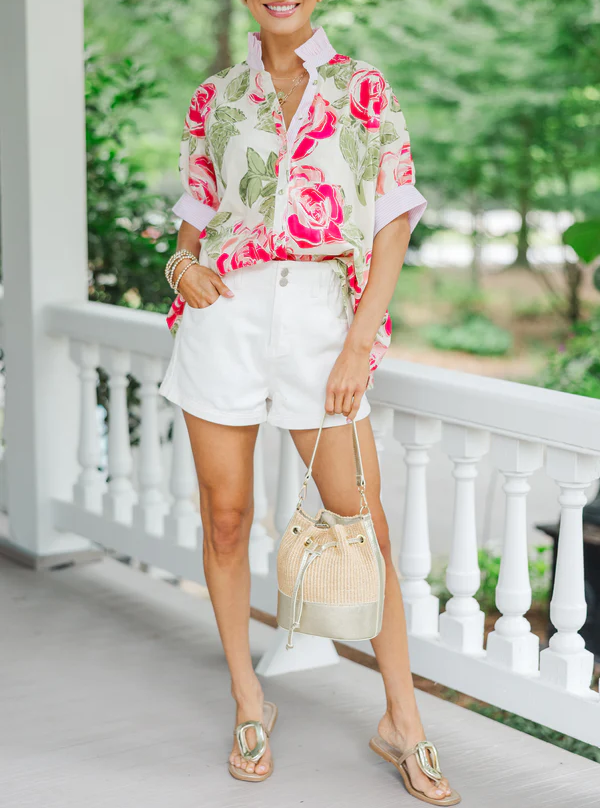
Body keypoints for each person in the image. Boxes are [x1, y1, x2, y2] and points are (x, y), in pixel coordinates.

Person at [158, 1, 459, 803]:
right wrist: (180, 267)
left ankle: (404, 720)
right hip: (224, 317)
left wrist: (360, 342)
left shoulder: (361, 86)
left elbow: (393, 218)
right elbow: (196, 208)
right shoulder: (215, 96)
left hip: (324, 320)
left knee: (363, 524)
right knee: (225, 519)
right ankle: (250, 703)